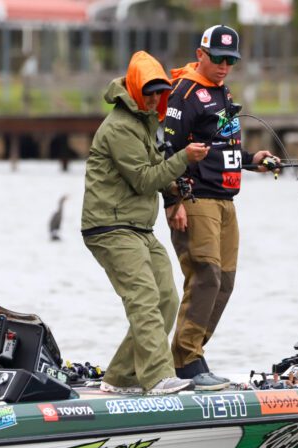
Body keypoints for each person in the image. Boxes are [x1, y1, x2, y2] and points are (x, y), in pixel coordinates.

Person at [81, 50, 209, 395]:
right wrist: (184, 159)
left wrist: (175, 192)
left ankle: (120, 378)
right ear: (136, 90)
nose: (155, 99)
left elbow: (155, 173)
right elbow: (142, 179)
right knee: (143, 298)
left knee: (166, 298)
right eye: (149, 92)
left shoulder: (145, 122)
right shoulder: (120, 128)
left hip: (138, 227)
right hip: (110, 228)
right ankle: (157, 378)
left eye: (160, 93)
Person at [163, 25, 279, 390]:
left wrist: (252, 159)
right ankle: (185, 363)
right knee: (205, 276)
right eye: (218, 58)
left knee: (225, 282)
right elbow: (166, 152)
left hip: (227, 203)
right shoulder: (185, 94)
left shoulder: (223, 93)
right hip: (196, 199)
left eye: (231, 60)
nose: (225, 65)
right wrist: (173, 201)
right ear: (201, 54)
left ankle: (193, 355)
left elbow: (223, 145)